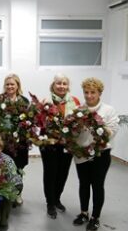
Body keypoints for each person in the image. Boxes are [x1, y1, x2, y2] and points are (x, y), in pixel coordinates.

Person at [72, 78, 119, 231]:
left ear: (99, 93)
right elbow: (72, 133)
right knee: (84, 184)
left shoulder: (108, 110)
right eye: (86, 92)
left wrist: (99, 125)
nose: (89, 95)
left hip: (101, 153)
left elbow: (112, 131)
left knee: (97, 185)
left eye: (93, 92)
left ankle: (95, 217)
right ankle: (84, 213)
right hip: (81, 153)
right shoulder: (79, 110)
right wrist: (76, 127)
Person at [41, 73, 80, 219]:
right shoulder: (46, 101)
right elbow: (40, 123)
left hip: (68, 144)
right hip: (49, 144)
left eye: (64, 83)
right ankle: (50, 203)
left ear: (68, 86)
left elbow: (79, 122)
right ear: (53, 85)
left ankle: (57, 198)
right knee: (50, 173)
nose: (61, 86)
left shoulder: (74, 101)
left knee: (63, 173)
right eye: (59, 83)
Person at [0, 74, 29, 205]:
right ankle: (2, 194)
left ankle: (17, 194)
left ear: (18, 85)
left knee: (18, 168)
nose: (10, 86)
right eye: (7, 84)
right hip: (3, 142)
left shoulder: (24, 101)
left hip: (20, 142)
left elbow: (27, 121)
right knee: (2, 168)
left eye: (12, 84)